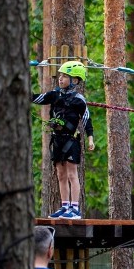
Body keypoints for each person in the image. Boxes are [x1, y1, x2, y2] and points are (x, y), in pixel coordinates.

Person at [32, 60, 95, 219]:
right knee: (60, 174)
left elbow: (87, 120)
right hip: (57, 139)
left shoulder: (79, 99)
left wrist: (90, 139)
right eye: (60, 76)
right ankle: (65, 206)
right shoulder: (54, 95)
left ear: (75, 80)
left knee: (72, 174)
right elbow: (38, 98)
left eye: (65, 76)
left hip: (71, 140)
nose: (60, 79)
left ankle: (75, 209)